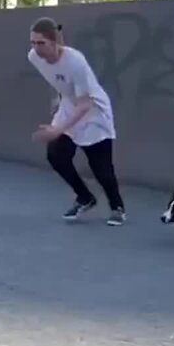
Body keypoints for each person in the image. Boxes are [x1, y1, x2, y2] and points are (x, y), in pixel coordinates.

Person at [27, 16, 126, 226]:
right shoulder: (34, 58)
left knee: (101, 167)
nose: (36, 48)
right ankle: (85, 198)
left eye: (41, 43)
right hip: (69, 105)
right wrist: (58, 98)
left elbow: (85, 104)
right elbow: (55, 79)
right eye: (33, 43)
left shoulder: (76, 61)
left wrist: (57, 130)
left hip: (93, 111)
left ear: (55, 42)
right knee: (56, 155)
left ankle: (117, 207)